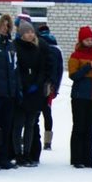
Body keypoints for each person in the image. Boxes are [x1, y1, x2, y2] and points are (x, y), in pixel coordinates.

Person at [0, 14, 22, 170]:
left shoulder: (10, 45)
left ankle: (3, 156)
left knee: (7, 126)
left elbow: (15, 69)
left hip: (9, 93)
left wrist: (17, 90)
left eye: (7, 26)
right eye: (2, 25)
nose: (5, 28)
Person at [12, 15, 49, 165]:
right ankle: (17, 153)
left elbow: (42, 68)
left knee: (30, 125)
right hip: (22, 91)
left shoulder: (37, 48)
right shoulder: (15, 47)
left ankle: (27, 153)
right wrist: (22, 86)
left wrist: (37, 84)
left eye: (31, 32)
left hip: (35, 92)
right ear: (21, 34)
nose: (30, 34)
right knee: (18, 124)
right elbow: (16, 69)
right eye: (27, 32)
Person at [67, 25, 92, 168]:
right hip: (79, 96)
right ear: (81, 40)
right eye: (87, 39)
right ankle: (77, 158)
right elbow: (74, 75)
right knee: (79, 127)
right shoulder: (75, 56)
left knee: (90, 128)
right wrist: (89, 67)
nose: (89, 42)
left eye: (91, 39)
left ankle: (89, 158)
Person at [38, 21, 62, 150]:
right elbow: (59, 69)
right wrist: (55, 87)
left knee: (35, 113)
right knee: (47, 113)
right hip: (50, 86)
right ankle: (48, 142)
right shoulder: (56, 46)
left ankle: (29, 139)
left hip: (39, 85)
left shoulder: (38, 44)